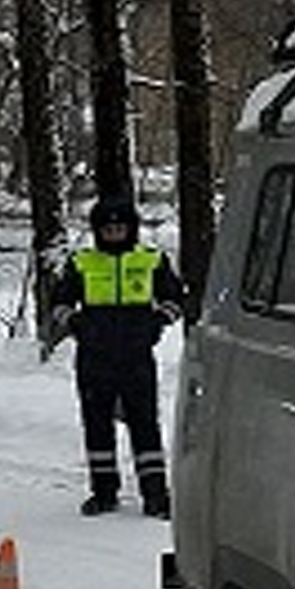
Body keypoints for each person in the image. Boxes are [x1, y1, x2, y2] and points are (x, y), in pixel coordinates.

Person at [48, 195, 185, 518]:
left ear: (131, 229)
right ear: (97, 231)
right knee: (97, 426)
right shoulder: (81, 261)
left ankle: (155, 496)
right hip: (94, 358)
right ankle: (104, 492)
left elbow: (176, 299)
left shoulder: (151, 259)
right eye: (107, 229)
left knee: (144, 426)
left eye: (120, 228)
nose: (113, 234)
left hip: (136, 357)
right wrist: (76, 323)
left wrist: (158, 321)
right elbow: (59, 304)